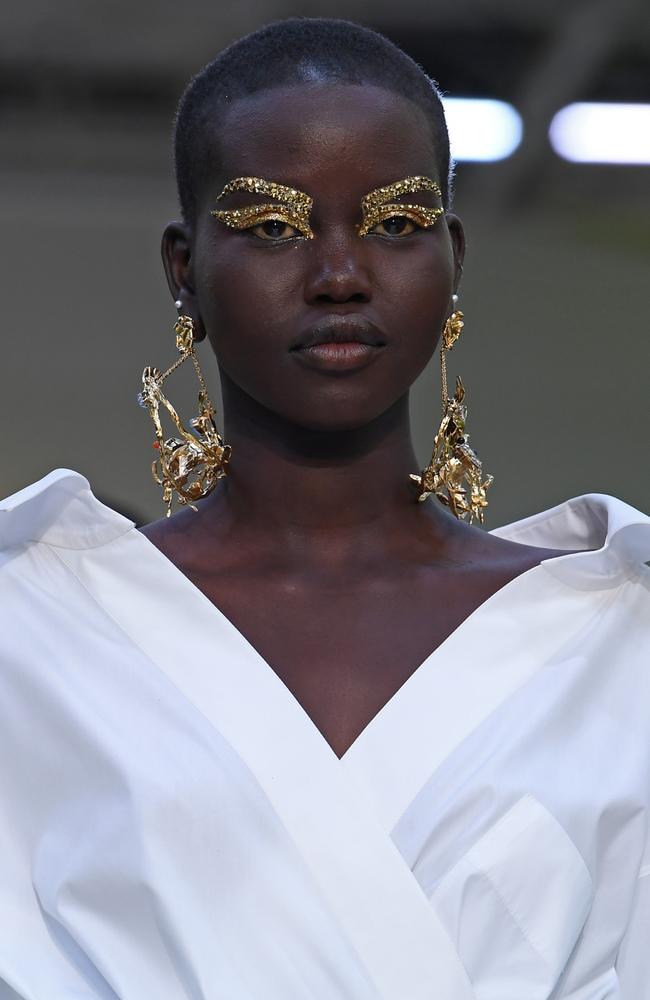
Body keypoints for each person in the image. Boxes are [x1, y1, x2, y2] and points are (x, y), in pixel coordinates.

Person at [0, 17, 648, 999]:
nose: (339, 277)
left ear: (452, 257)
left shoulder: (610, 634)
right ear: (185, 270)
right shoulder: (41, 629)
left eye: (395, 223)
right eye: (271, 228)